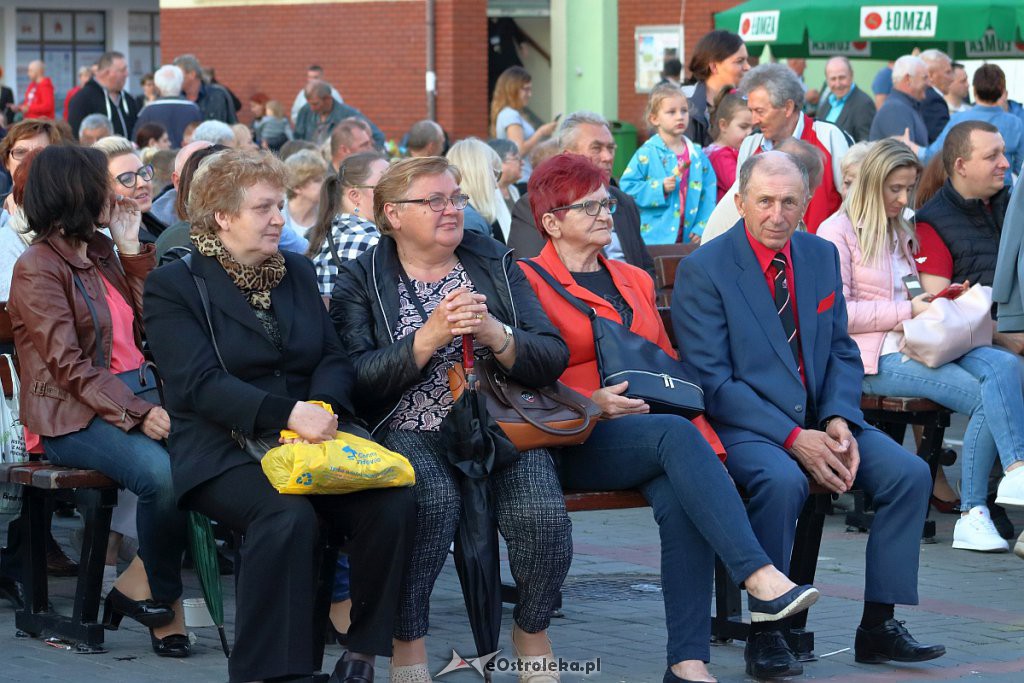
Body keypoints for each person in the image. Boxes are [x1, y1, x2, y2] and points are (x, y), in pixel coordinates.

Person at [520, 153, 819, 683]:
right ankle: (758, 575)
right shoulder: (527, 280)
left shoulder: (633, 277)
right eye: (588, 206)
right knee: (673, 436)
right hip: (573, 437)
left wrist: (695, 434)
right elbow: (524, 372)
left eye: (606, 203)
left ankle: (687, 663)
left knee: (683, 496)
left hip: (651, 434)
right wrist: (591, 401)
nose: (604, 213)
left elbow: (666, 366)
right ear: (551, 221)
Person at [143, 148, 414, 682]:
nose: (278, 219)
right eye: (263, 208)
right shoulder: (175, 285)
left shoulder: (295, 270)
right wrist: (288, 413)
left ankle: (361, 651)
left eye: (280, 206)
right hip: (222, 447)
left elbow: (331, 355)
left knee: (392, 500)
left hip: (309, 439)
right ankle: (274, 673)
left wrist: (319, 408)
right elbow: (198, 384)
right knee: (287, 516)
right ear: (223, 216)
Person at [675, 151, 946, 678]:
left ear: (806, 204)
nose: (777, 215)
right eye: (765, 202)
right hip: (747, 426)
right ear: (740, 202)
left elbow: (842, 349)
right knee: (781, 483)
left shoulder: (820, 255)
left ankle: (878, 626)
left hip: (824, 418)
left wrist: (840, 416)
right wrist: (794, 436)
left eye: (790, 202)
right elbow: (713, 383)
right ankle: (766, 634)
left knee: (910, 474)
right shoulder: (704, 269)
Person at [330, 156, 573, 683]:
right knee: (429, 501)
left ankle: (532, 629)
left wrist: (495, 333)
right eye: (434, 200)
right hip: (406, 424)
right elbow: (355, 378)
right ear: (393, 213)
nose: (451, 209)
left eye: (456, 198)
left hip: (497, 422)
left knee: (541, 515)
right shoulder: (362, 276)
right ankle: (408, 641)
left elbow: (552, 354)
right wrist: (428, 338)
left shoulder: (493, 259)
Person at [9, 144, 189, 656]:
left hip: (137, 396)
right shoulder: (38, 266)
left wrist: (131, 250)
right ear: (75, 193)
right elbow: (67, 366)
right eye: (102, 185)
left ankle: (136, 586)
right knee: (163, 477)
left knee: (211, 462)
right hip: (72, 417)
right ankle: (165, 602)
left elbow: (157, 328)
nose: (115, 194)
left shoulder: (104, 252)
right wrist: (139, 412)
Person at [817, 138, 1024, 553]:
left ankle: (1016, 471)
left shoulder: (899, 226)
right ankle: (973, 511)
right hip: (870, 357)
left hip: (914, 341)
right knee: (984, 395)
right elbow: (838, 313)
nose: (904, 198)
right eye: (894, 189)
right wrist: (907, 309)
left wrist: (940, 298)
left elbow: (910, 289)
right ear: (871, 184)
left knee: (1005, 366)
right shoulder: (835, 232)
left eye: (909, 188)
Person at [703, 63, 848, 238]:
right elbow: (744, 208)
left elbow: (854, 200)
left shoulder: (829, 136)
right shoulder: (750, 145)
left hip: (824, 249)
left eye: (760, 111)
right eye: (751, 111)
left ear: (788, 107)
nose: (754, 120)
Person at [508, 111, 654, 275]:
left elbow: (646, 266)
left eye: (611, 148)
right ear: (568, 156)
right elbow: (532, 274)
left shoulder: (622, 201)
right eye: (596, 148)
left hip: (632, 289)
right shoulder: (537, 205)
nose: (607, 157)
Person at [621, 83, 716, 245]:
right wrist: (659, 188)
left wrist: (702, 227)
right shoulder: (646, 153)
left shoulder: (697, 154)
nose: (680, 117)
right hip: (654, 241)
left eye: (684, 111)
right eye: (671, 112)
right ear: (654, 118)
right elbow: (627, 189)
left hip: (689, 240)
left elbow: (709, 193)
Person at [914, 65, 1024, 183]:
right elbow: (1019, 165)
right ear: (1002, 91)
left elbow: (932, 156)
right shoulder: (1016, 123)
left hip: (967, 189)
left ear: (974, 90)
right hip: (1003, 188)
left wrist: (911, 146)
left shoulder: (958, 119)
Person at [0, 119, 69, 297]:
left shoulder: (75, 215)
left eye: (41, 153)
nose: (30, 160)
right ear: (6, 161)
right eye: (20, 152)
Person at [308, 151, 388, 297]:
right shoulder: (371, 243)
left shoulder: (333, 230)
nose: (397, 193)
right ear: (355, 195)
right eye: (386, 186)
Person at [490, 66, 558, 186]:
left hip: (523, 177)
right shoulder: (510, 114)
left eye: (530, 89)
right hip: (520, 179)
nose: (529, 94)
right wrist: (540, 132)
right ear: (512, 90)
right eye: (526, 89)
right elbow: (519, 150)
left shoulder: (512, 114)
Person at [92, 136, 166, 242]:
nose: (142, 183)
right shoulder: (106, 245)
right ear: (102, 189)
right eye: (127, 179)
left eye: (143, 173)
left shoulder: (155, 223)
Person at [684, 30, 750, 147]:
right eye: (740, 61)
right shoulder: (684, 104)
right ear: (714, 67)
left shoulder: (748, 101)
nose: (747, 67)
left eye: (746, 60)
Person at [67, 52, 141, 140]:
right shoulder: (83, 99)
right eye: (122, 70)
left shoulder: (129, 100)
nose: (127, 74)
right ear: (107, 73)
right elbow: (74, 136)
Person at [446, 137, 508, 240]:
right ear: (478, 174)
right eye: (495, 174)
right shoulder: (471, 222)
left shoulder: (460, 215)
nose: (496, 185)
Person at [295, 81, 384, 149]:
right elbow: (297, 139)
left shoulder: (349, 115)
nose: (312, 108)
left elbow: (378, 137)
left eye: (315, 104)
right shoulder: (305, 111)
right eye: (309, 104)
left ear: (328, 99)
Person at [132, 64, 202, 149]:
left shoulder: (148, 110)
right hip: (187, 156)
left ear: (158, 86)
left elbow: (137, 142)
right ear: (180, 83)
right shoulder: (194, 109)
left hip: (158, 157)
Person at [869, 55, 929, 147]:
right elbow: (904, 153)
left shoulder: (904, 106)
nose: (929, 83)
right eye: (924, 78)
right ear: (908, 79)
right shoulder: (895, 110)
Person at [704, 89, 752, 201]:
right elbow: (741, 186)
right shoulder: (720, 156)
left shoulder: (722, 152)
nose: (749, 133)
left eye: (753, 128)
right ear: (723, 125)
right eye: (743, 127)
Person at [816, 57, 876, 143]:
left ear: (851, 75)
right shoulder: (827, 102)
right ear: (827, 80)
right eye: (833, 79)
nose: (838, 84)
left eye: (842, 78)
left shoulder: (864, 104)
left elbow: (866, 144)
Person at [281, 149, 327, 250]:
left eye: (324, 178)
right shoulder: (279, 215)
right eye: (317, 180)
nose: (324, 183)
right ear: (297, 187)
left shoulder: (328, 213)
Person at [172, 54, 236, 124]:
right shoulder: (175, 98)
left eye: (179, 74)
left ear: (192, 74)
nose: (175, 78)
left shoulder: (217, 95)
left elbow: (232, 124)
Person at [918, 50, 953, 144]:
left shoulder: (925, 97)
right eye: (948, 72)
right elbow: (943, 141)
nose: (952, 78)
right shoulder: (933, 100)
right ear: (930, 76)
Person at [487, 138, 522, 210]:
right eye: (517, 158)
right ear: (498, 161)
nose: (522, 163)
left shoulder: (513, 190)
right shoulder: (487, 193)